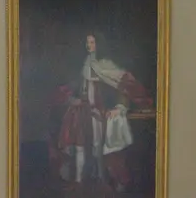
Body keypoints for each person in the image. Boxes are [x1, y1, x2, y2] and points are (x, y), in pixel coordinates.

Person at [50, 33, 152, 192]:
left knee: (99, 146)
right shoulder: (85, 64)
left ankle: (102, 178)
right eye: (87, 42)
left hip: (99, 111)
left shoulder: (105, 65)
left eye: (92, 42)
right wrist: (73, 99)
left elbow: (121, 84)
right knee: (79, 146)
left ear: (98, 44)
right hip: (82, 110)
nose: (88, 45)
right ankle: (77, 180)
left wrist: (118, 107)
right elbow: (78, 87)